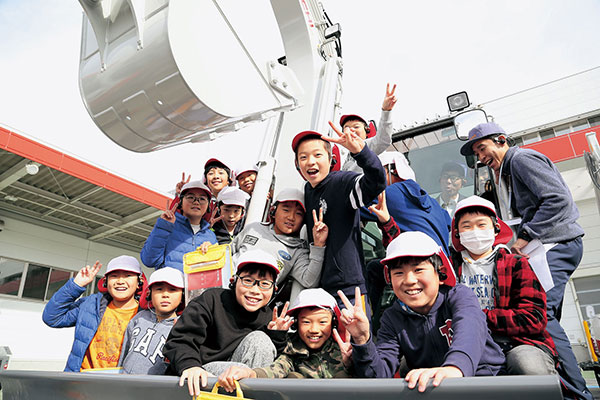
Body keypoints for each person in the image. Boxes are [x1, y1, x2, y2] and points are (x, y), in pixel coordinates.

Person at [461, 122, 591, 400]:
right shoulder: (502, 173)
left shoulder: (521, 159)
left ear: (501, 140)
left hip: (555, 243)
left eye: (483, 148)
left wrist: (523, 239)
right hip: (543, 246)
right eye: (476, 153)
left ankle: (576, 393)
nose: (481, 157)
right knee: (547, 316)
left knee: (540, 317)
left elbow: (557, 200)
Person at [339, 231, 504, 393]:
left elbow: (470, 331)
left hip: (487, 382)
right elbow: (378, 376)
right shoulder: (391, 318)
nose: (409, 280)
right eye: (398, 273)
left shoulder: (460, 296)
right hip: (432, 389)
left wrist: (454, 367)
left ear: (440, 274)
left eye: (418, 270)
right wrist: (362, 341)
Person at [452, 196, 560, 376]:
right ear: (458, 233)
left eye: (481, 225)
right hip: (465, 342)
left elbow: (534, 318)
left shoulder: (516, 264)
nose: (474, 231)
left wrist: (477, 317)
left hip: (517, 342)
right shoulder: (449, 268)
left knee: (528, 366)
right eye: (466, 226)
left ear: (495, 229)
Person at [163, 249, 290, 397]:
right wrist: (190, 365)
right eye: (248, 281)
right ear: (234, 281)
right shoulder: (212, 300)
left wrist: (276, 335)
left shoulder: (269, 316)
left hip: (240, 377)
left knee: (261, 341)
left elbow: (272, 367)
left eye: (264, 284)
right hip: (202, 373)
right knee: (241, 371)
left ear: (274, 289)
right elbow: (180, 339)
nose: (255, 290)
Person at [292, 123, 386, 316]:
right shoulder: (308, 190)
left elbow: (376, 182)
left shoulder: (342, 183)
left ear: (330, 158)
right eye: (303, 157)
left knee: (358, 343)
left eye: (317, 155)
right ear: (297, 164)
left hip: (351, 291)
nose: (310, 162)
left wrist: (361, 153)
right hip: (320, 290)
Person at [362, 151, 451, 321]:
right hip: (441, 270)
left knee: (374, 269)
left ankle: (369, 320)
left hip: (416, 267)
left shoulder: (391, 192)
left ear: (390, 170)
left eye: (375, 173)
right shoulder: (432, 202)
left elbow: (353, 203)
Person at [217, 288, 352, 390]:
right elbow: (276, 369)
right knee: (294, 379)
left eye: (322, 322)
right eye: (306, 322)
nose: (314, 329)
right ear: (296, 323)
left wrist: (351, 363)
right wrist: (250, 373)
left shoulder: (343, 347)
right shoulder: (293, 350)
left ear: (333, 322)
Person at [42, 256, 145, 372]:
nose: (120, 281)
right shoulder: (90, 304)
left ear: (139, 282)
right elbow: (52, 318)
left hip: (120, 384)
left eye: (128, 276)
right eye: (114, 276)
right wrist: (76, 285)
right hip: (80, 381)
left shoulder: (148, 315)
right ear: (106, 282)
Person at [231, 188, 328, 303]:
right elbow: (229, 252)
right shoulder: (254, 228)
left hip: (253, 299)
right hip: (224, 288)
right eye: (286, 210)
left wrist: (319, 245)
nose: (291, 217)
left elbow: (309, 281)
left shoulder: (298, 250)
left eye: (298, 213)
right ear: (273, 211)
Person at [118, 267, 184, 375]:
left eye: (172, 290)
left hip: (155, 389)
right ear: (149, 294)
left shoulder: (182, 326)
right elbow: (124, 351)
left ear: (182, 295)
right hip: (124, 382)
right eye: (159, 289)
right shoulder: (139, 317)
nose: (165, 295)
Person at [140, 180, 217, 271]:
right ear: (180, 202)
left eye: (202, 199)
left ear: (208, 206)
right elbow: (149, 260)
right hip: (170, 284)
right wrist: (163, 227)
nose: (196, 202)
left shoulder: (211, 236)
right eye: (191, 197)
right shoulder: (167, 227)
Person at [340, 83, 397, 173]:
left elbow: (383, 140)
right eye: (346, 128)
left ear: (366, 131)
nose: (351, 130)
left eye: (356, 127)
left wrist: (386, 111)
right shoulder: (347, 159)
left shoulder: (369, 146)